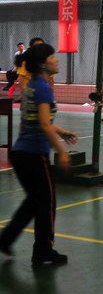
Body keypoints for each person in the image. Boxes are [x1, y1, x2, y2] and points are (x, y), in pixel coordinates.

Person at [0, 44, 78, 265]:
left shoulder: (33, 85)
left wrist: (61, 131)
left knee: (35, 201)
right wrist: (62, 152)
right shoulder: (43, 88)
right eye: (52, 57)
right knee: (47, 202)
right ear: (43, 64)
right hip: (35, 155)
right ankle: (43, 250)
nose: (57, 60)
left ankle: (6, 239)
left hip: (21, 153)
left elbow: (37, 120)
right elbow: (44, 124)